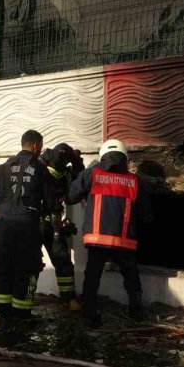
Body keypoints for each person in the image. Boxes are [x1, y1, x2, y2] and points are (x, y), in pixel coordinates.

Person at [69, 139, 152, 327]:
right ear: (125, 158)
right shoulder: (134, 181)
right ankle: (136, 310)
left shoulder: (92, 174)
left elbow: (71, 195)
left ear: (102, 157)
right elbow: (146, 215)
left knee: (92, 275)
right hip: (124, 241)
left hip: (97, 240)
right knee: (131, 274)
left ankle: (90, 311)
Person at [0, 129, 55, 320]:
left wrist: (3, 209)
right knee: (26, 269)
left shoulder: (3, 167)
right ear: (35, 146)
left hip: (4, 225)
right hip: (27, 225)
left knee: (5, 268)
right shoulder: (41, 168)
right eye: (40, 146)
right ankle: (22, 313)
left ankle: (5, 312)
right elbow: (50, 200)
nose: (40, 150)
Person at [38, 143, 85, 312]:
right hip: (36, 224)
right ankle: (23, 302)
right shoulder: (39, 169)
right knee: (32, 263)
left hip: (54, 225)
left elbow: (76, 190)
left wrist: (77, 163)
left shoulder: (64, 171)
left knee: (63, 262)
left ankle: (68, 298)